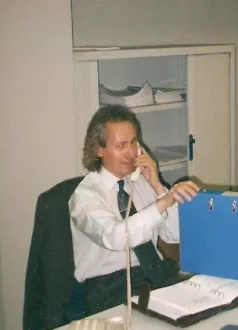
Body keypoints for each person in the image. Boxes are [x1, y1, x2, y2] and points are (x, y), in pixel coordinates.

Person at [69, 104, 199, 315]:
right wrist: (164, 201)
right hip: (109, 286)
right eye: (121, 145)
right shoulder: (85, 197)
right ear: (98, 149)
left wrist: (157, 185)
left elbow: (175, 235)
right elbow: (116, 237)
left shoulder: (139, 182)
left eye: (133, 142)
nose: (131, 153)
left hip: (156, 274)